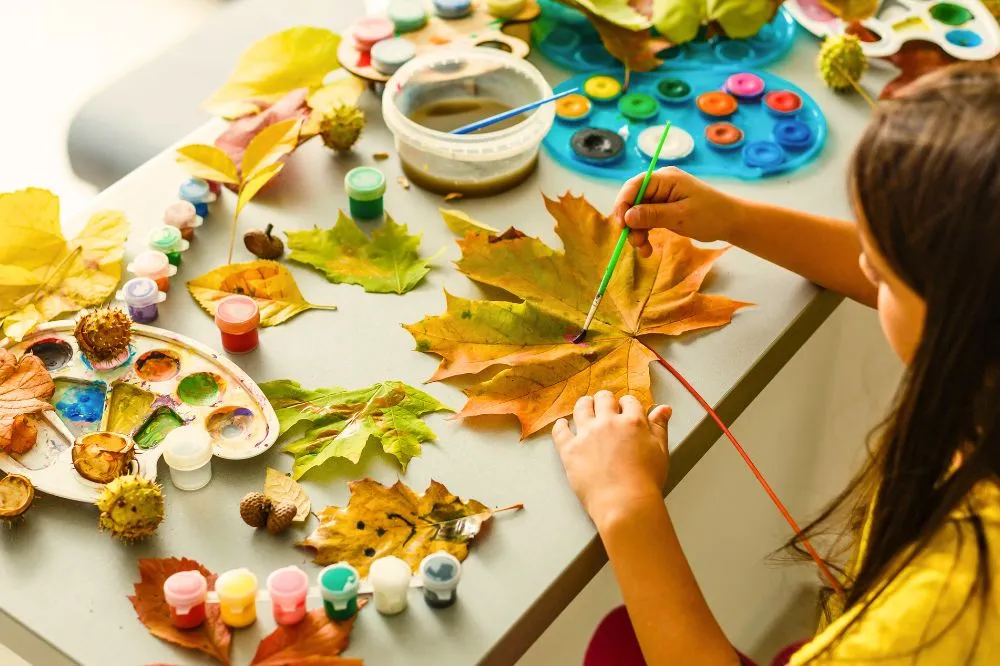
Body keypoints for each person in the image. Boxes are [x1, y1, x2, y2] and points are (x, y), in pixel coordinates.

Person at [552, 63, 1000, 666]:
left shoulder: (952, 601)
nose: (864, 268)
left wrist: (625, 504)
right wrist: (734, 220)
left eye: (883, 270)